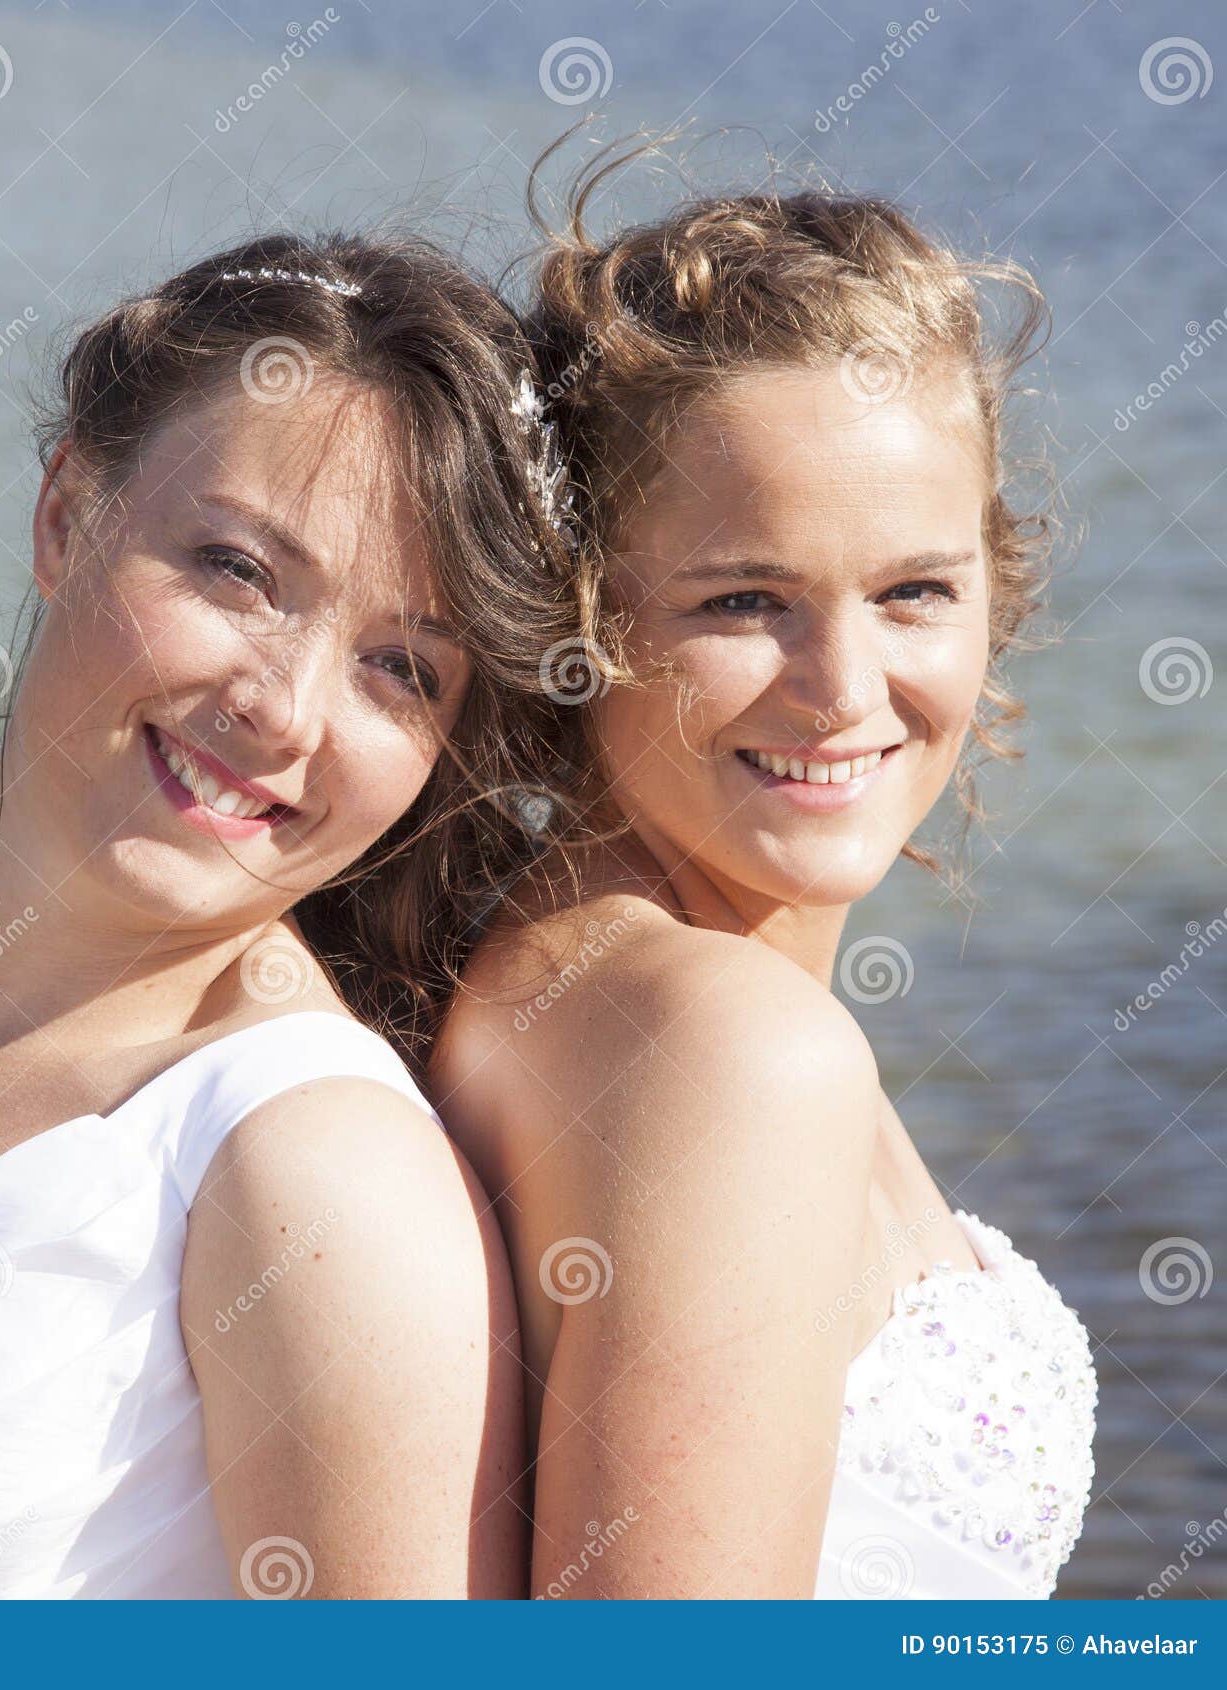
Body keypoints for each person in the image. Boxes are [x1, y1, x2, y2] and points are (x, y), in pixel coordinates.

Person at [0, 231, 578, 1599]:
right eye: (241, 571)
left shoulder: (317, 1178)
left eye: (400, 667)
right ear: (68, 512)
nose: (284, 707)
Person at [430, 158, 1098, 1599]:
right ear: (578, 612)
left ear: (999, 584)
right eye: (746, 600)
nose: (843, 690)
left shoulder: (587, 968)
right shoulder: (732, 1048)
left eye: (914, 589)